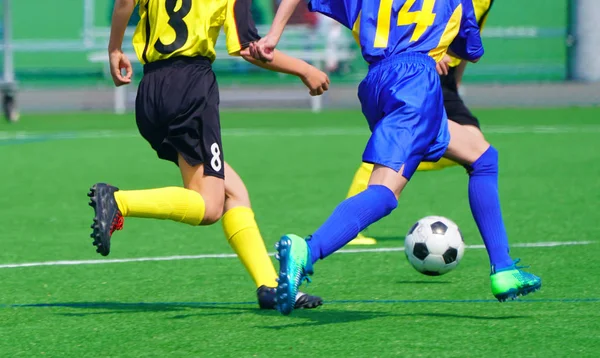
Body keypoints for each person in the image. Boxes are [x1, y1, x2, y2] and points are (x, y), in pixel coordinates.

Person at [250, 0, 542, 316]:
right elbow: (468, 48)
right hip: (416, 85)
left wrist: (273, 35)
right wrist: (441, 52)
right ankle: (307, 250)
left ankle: (504, 269)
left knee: (483, 157)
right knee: (385, 194)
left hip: (378, 83)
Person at [88, 0, 329, 310]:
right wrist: (305, 69)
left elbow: (123, 3)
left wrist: (114, 49)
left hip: (150, 89)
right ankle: (119, 202)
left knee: (234, 192)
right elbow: (248, 48)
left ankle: (269, 286)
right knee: (210, 207)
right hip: (191, 87)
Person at [347, 0, 495, 245]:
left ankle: (387, 165)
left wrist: (456, 82)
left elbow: (469, 36)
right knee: (479, 153)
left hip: (443, 80)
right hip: (416, 71)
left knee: (479, 152)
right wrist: (425, 49)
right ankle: (377, 177)